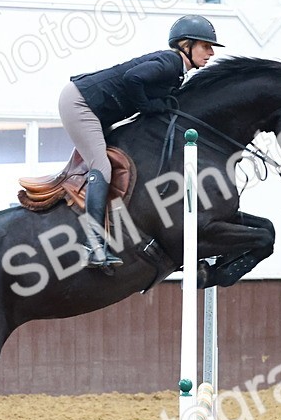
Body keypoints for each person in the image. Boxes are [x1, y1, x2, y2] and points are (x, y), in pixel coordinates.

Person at [60, 14, 223, 268]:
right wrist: (148, 107)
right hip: (81, 103)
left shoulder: (176, 72)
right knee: (101, 166)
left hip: (96, 106)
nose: (211, 52)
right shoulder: (171, 62)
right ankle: (92, 244)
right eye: (206, 46)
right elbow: (132, 79)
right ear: (185, 45)